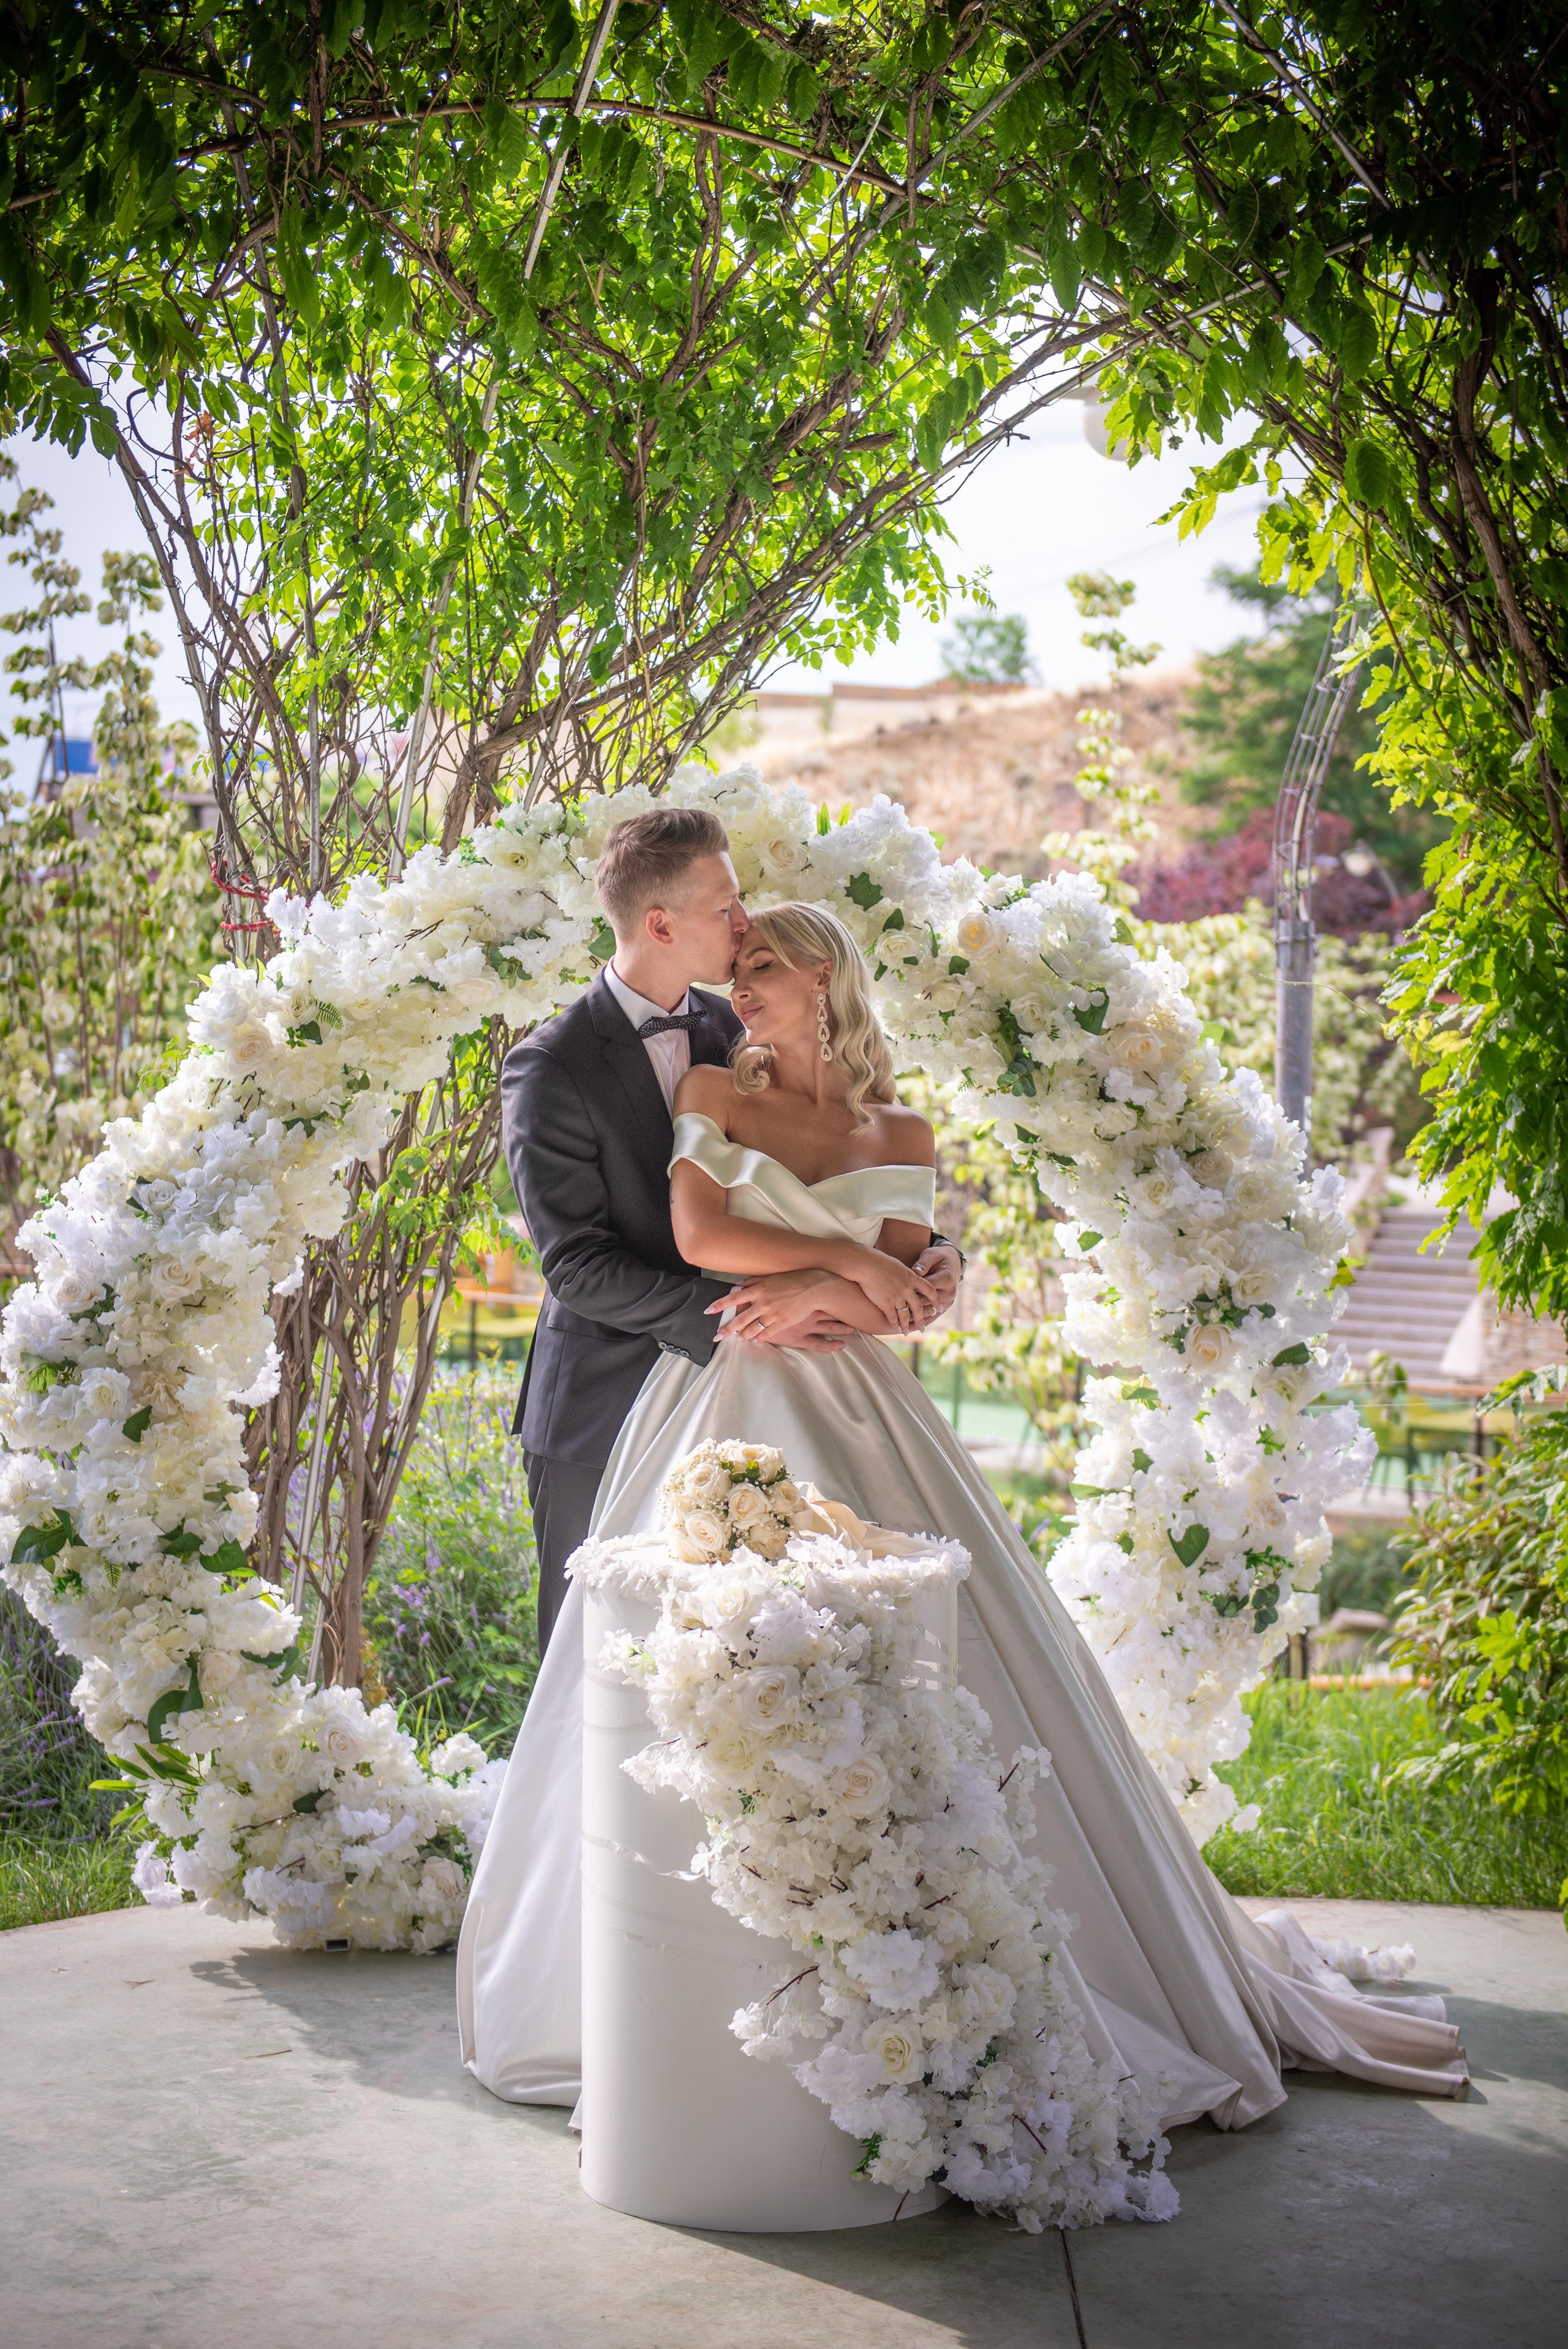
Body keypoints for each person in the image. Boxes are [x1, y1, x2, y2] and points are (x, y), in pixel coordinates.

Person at [461, 892, 1466, 2153]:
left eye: (766, 963)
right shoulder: (711, 1090)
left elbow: (901, 1285)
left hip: (858, 1404)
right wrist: (846, 1273)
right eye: (741, 958)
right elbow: (698, 1232)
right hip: (724, 1390)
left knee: (938, 1658)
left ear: (827, 977)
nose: (742, 978)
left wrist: (892, 1280)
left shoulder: (899, 1125)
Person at [499, 806, 960, 1655]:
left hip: (777, 1390)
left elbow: (844, 1172)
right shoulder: (551, 1065)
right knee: (592, 1651)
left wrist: (932, 1258)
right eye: (727, 906)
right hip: (605, 1400)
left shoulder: (739, 1033)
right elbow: (578, 1266)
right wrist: (766, 1305)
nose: (743, 923)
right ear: (662, 922)